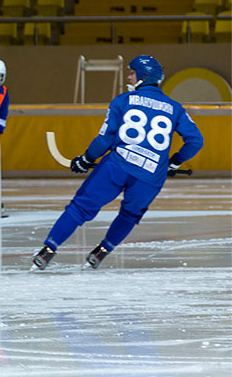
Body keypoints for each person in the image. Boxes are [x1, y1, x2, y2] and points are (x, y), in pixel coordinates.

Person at [32, 55, 203, 271]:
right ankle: (101, 252)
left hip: (117, 166)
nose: (129, 77)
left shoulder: (122, 101)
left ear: (144, 76)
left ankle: (48, 251)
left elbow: (105, 139)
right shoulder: (175, 108)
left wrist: (86, 159)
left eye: (132, 73)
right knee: (130, 216)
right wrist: (175, 162)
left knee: (80, 208)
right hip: (150, 177)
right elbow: (196, 141)